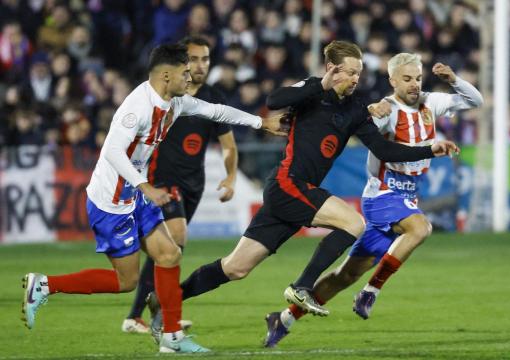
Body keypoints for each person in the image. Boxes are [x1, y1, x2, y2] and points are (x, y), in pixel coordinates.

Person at [146, 40, 460, 341]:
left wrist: (429, 150)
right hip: (287, 183)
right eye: (349, 72)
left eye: (358, 74)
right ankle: (302, 286)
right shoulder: (310, 91)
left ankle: (165, 298)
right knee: (354, 223)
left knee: (235, 268)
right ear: (331, 69)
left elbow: (385, 150)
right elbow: (273, 101)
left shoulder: (355, 110)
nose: (354, 79)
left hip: (297, 191)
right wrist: (319, 85)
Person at [21, 43, 286, 353]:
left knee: (170, 255)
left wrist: (261, 122)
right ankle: (45, 285)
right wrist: (144, 185)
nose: (190, 78)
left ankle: (171, 337)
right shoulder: (138, 108)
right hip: (112, 202)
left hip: (135, 194)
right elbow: (112, 152)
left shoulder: (175, 102)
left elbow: (215, 111)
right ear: (165, 75)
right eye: (184, 73)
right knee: (126, 281)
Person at [263, 54, 484, 347]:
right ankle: (371, 292)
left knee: (346, 274)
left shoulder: (431, 103)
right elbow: (360, 119)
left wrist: (454, 81)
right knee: (420, 228)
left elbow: (475, 101)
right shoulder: (387, 109)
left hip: (405, 197)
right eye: (406, 79)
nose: (414, 84)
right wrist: (370, 108)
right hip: (381, 194)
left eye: (417, 78)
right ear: (392, 81)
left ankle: (284, 319)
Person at [121, 36, 239, 334]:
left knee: (171, 248)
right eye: (194, 59)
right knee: (175, 236)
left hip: (193, 186)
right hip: (162, 179)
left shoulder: (213, 98)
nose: (200, 65)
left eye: (205, 59)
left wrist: (230, 176)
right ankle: (149, 313)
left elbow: (229, 146)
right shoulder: (166, 95)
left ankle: (154, 309)